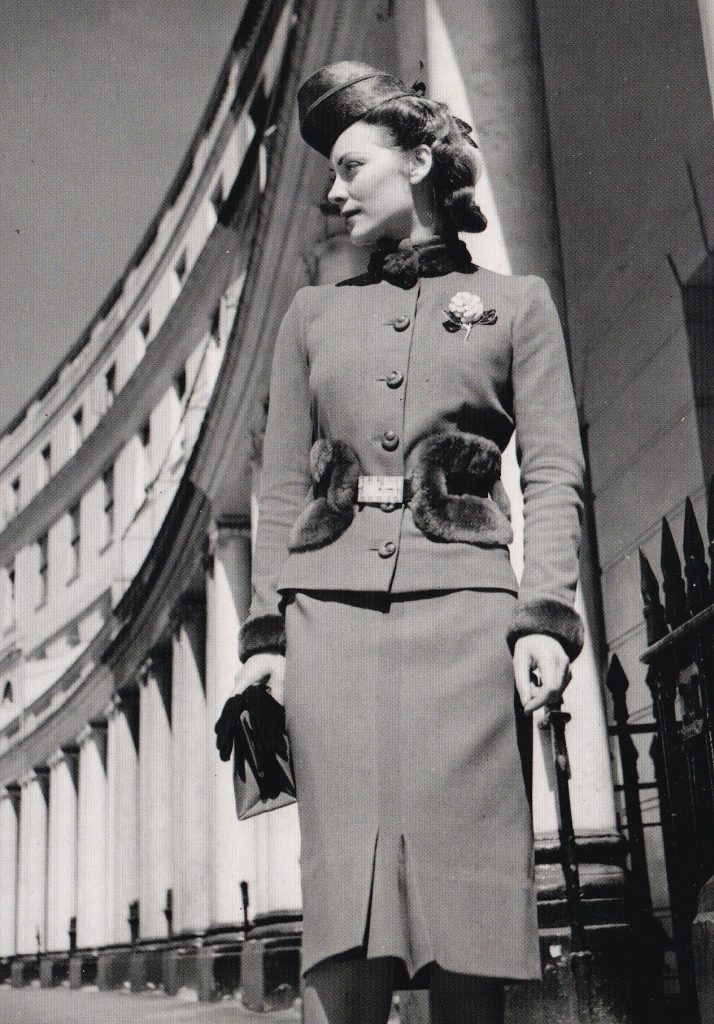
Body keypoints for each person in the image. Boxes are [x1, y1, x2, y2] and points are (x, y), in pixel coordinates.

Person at [221, 61, 585, 1024]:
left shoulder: (519, 305)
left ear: (420, 159)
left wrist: (545, 616)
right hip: (329, 628)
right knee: (343, 913)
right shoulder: (309, 316)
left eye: (350, 166)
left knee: (469, 907)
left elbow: (551, 473)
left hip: (468, 627)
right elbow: (280, 489)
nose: (334, 193)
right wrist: (267, 644)